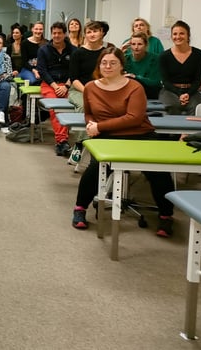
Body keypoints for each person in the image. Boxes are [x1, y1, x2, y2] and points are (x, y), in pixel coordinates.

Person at [71, 47, 175, 237]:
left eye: (113, 63)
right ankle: (80, 208)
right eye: (104, 63)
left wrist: (100, 127)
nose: (108, 66)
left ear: (121, 65)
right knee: (94, 169)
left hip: (139, 134)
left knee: (159, 171)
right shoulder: (91, 87)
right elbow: (89, 113)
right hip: (108, 137)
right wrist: (90, 124)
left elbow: (134, 118)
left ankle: (166, 215)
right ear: (99, 65)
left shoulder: (134, 87)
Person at [36, 22, 76, 156]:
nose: (57, 36)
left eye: (59, 33)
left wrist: (66, 86)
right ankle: (62, 141)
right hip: (49, 84)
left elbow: (75, 71)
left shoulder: (74, 50)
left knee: (70, 108)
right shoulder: (43, 50)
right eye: (54, 33)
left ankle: (62, 140)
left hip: (68, 84)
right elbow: (42, 70)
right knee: (56, 110)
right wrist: (55, 86)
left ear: (65, 34)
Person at [159, 20, 201, 115]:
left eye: (182, 33)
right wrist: (180, 94)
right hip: (170, 91)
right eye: (175, 34)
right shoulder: (164, 56)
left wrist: (187, 94)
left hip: (192, 91)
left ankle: (192, 130)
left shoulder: (199, 54)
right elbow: (165, 81)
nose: (178, 37)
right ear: (171, 36)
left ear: (188, 36)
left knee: (196, 107)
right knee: (173, 106)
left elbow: (198, 80)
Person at [68, 20, 109, 113]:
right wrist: (87, 91)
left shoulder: (106, 53)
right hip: (79, 90)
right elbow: (73, 79)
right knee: (85, 106)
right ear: (85, 35)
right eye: (89, 32)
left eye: (95, 31)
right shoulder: (77, 53)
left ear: (102, 32)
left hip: (102, 89)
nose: (92, 34)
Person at [124, 32, 161, 99]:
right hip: (130, 93)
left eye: (140, 44)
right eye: (133, 44)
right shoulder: (125, 58)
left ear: (146, 45)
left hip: (150, 93)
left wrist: (135, 77)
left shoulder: (155, 59)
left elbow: (156, 83)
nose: (136, 47)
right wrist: (121, 51)